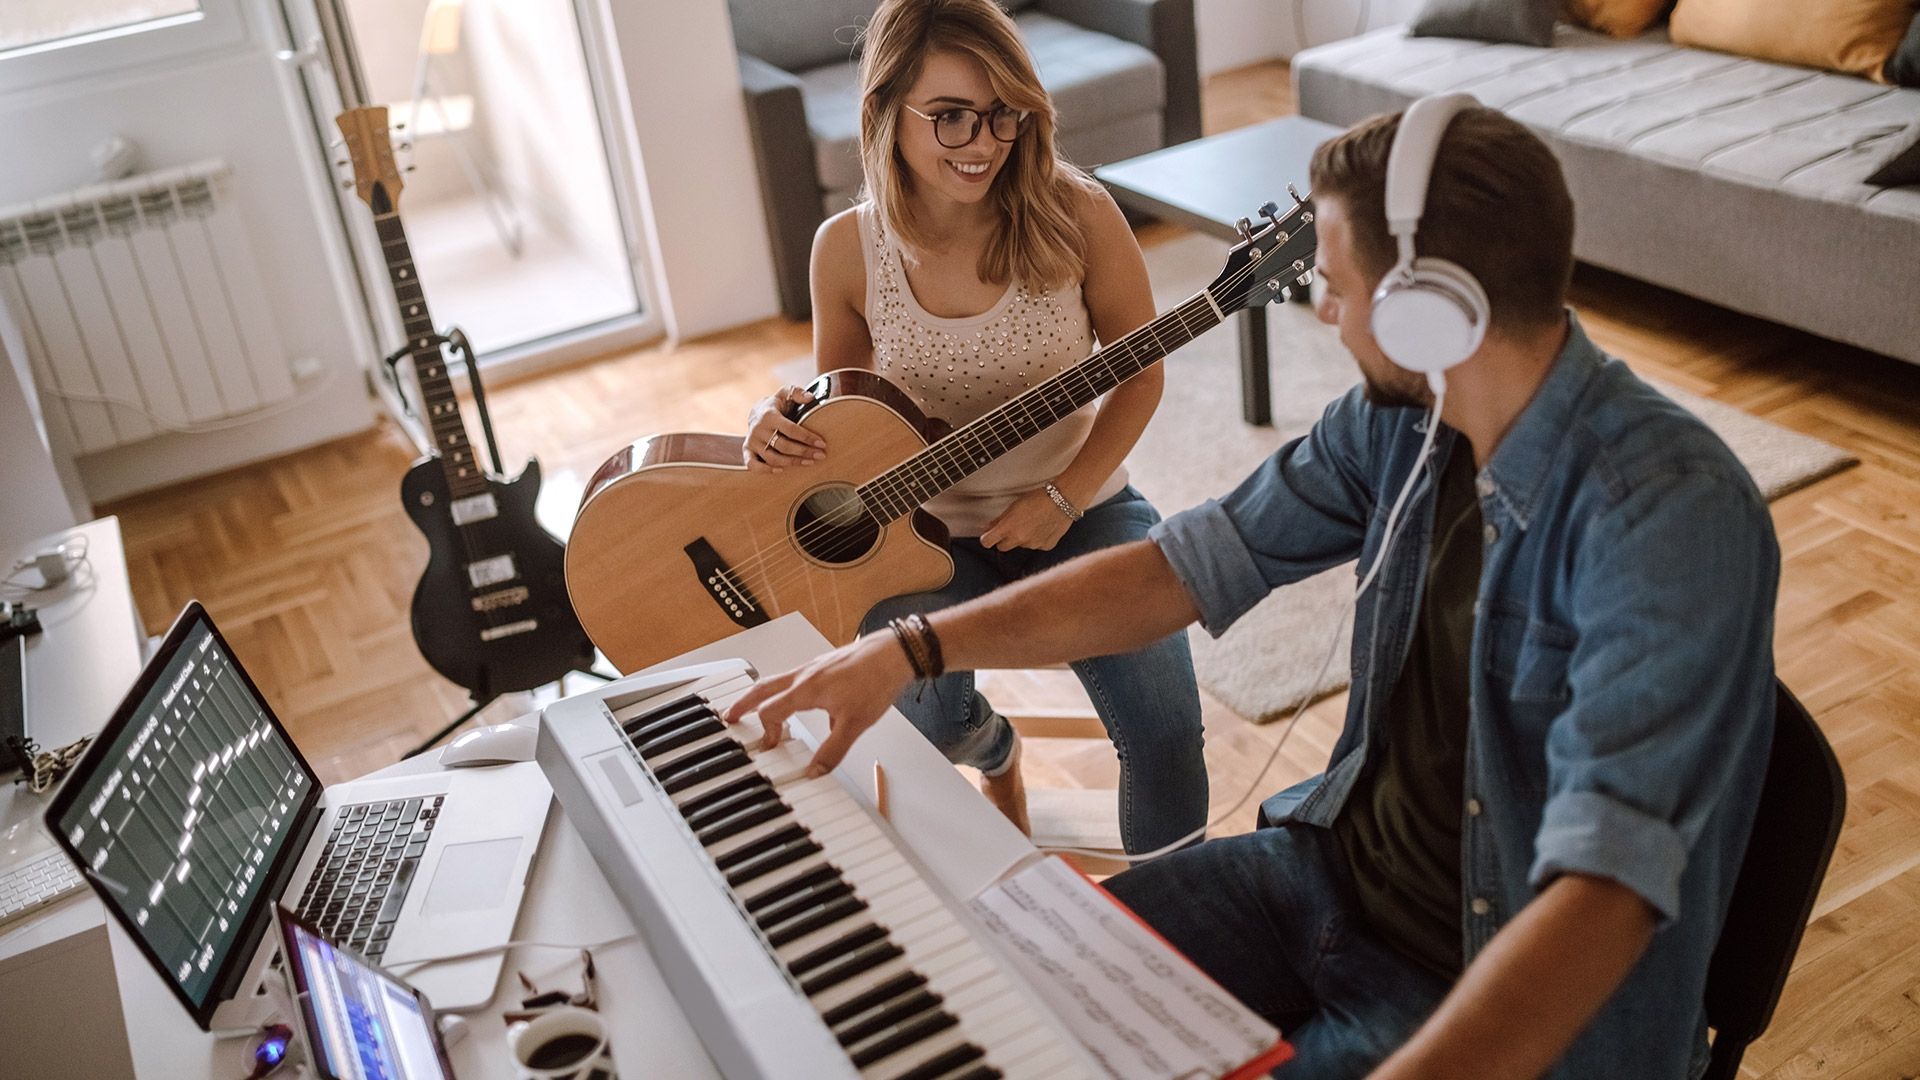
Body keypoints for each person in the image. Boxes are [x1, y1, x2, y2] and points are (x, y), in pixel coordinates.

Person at [726, 98, 1780, 1080]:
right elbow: (1179, 568)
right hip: (1321, 877)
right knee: (992, 988)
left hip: (1484, 983)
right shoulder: (1402, 422)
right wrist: (910, 649)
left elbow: (1603, 899)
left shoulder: (1668, 517)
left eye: (1341, 285)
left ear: (1432, 310)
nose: (1325, 312)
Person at [738, 0, 1206, 853]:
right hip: (919, 536)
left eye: (1002, 114)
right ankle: (994, 746)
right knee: (922, 735)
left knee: (1168, 735)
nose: (982, 143)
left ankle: (1184, 913)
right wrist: (773, 418)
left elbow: (1141, 373)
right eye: (950, 116)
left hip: (1083, 506)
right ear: (887, 112)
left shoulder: (1079, 214)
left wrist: (1063, 499)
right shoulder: (846, 249)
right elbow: (839, 411)